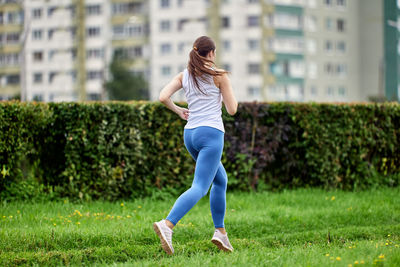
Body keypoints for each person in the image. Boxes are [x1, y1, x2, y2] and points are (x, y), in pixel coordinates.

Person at [153, 36, 238, 255]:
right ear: (211, 53)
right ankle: (167, 224)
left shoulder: (185, 75)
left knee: (220, 179)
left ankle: (220, 232)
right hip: (211, 134)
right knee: (200, 186)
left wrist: (179, 110)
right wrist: (227, 88)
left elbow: (163, 96)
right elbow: (232, 110)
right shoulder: (219, 76)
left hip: (190, 134)